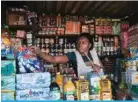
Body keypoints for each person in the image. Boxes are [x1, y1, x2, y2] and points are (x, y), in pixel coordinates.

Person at [30, 34, 104, 79]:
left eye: (83, 43)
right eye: (78, 43)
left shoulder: (94, 53)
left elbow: (103, 69)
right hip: (83, 89)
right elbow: (54, 59)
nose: (80, 44)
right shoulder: (73, 55)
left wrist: (99, 68)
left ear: (89, 45)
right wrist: (39, 53)